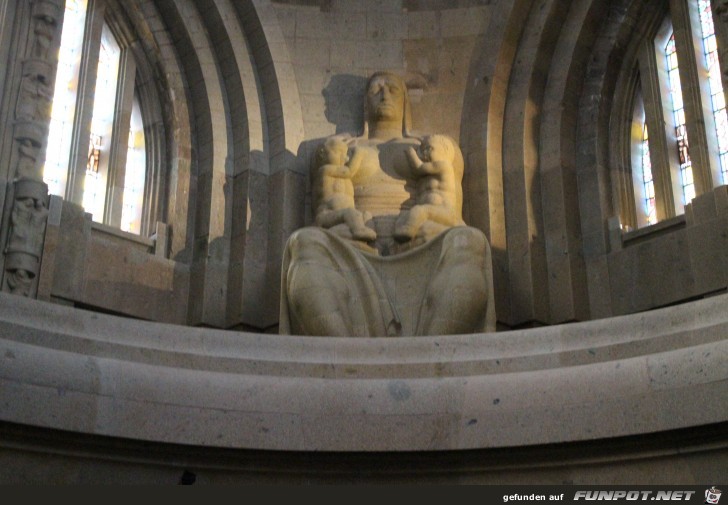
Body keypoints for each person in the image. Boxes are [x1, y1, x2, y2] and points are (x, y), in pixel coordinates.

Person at [280, 71, 495, 337]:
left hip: (422, 239)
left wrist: (431, 229)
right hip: (353, 242)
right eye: (376, 90)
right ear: (364, 103)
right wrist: (339, 230)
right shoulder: (337, 149)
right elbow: (324, 211)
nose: (384, 95)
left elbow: (450, 211)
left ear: (405, 101)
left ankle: (433, 349)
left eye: (392, 89)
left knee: (469, 241)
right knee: (304, 243)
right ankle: (343, 353)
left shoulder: (433, 147)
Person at [394, 134, 465, 242]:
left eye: (430, 149)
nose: (425, 154)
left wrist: (411, 152)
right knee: (405, 215)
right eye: (423, 151)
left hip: (445, 211)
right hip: (431, 212)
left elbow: (418, 168)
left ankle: (408, 229)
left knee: (420, 210)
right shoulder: (427, 176)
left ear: (445, 150)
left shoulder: (444, 166)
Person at [311, 136, 376, 242]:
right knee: (350, 213)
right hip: (327, 214)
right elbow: (349, 171)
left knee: (366, 216)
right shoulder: (325, 170)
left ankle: (361, 233)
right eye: (338, 152)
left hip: (344, 215)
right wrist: (358, 154)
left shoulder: (339, 174)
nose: (344, 157)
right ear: (322, 154)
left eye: (345, 154)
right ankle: (359, 230)